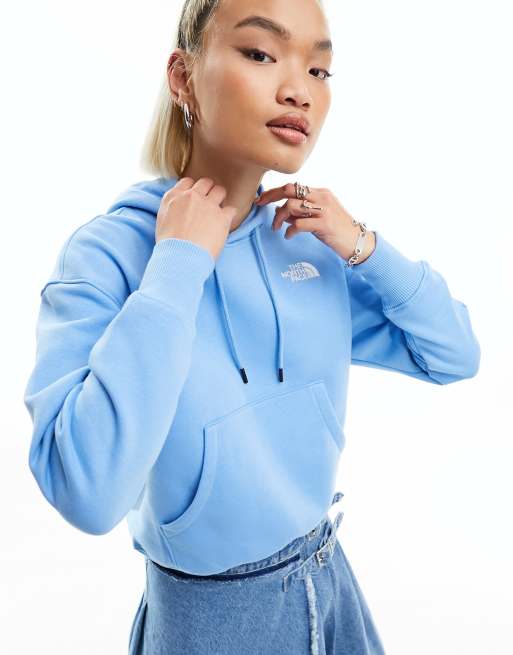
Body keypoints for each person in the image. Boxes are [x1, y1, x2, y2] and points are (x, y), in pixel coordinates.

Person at [23, 0, 481, 653]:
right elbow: (86, 492)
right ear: (183, 76)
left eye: (319, 70)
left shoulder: (306, 241)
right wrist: (178, 265)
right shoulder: (108, 256)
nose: (299, 90)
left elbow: (454, 354)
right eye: (261, 54)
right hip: (210, 619)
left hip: (329, 580)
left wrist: (363, 246)